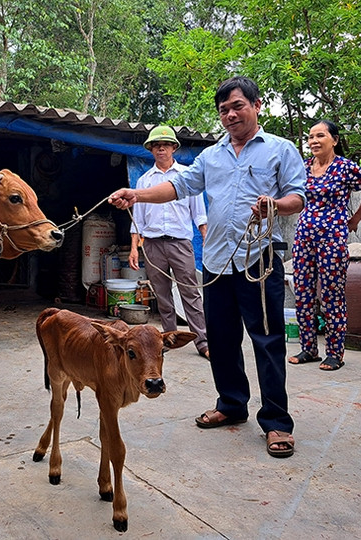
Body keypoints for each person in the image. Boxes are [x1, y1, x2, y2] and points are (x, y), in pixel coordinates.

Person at [109, 76, 306, 458]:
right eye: (224, 110)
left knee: (267, 342)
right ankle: (232, 405)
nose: (230, 115)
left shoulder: (280, 150)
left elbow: (297, 196)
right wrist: (137, 193)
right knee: (222, 339)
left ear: (257, 105)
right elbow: (179, 188)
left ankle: (277, 422)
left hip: (259, 261)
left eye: (237, 106)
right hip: (216, 262)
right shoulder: (211, 156)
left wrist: (275, 206)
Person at [288, 120, 361, 371]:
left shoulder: (346, 168)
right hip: (304, 236)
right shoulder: (304, 167)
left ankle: (335, 353)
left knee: (332, 295)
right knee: (303, 293)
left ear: (335, 140)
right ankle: (309, 348)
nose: (314, 141)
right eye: (310, 137)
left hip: (332, 238)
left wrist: (355, 219)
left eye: (320, 136)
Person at [129, 125, 209, 358]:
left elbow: (199, 213)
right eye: (156, 145)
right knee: (162, 296)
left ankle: (203, 342)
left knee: (190, 293)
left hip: (180, 243)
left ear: (174, 147)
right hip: (153, 245)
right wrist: (134, 248)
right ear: (151, 150)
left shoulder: (187, 176)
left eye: (165, 144)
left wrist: (205, 236)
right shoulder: (144, 181)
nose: (160, 148)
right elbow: (138, 218)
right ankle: (169, 338)